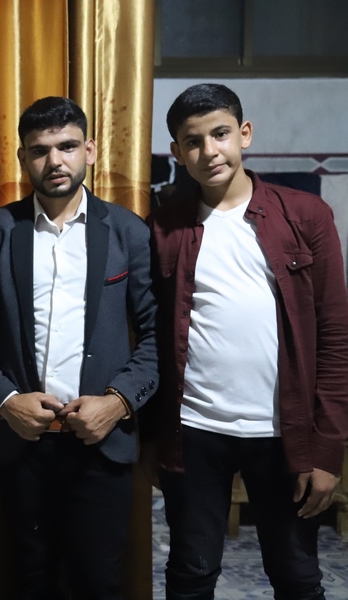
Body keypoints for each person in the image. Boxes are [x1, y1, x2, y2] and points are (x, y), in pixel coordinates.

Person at [0, 96, 158, 599]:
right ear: (23, 158)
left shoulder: (128, 231)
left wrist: (117, 403)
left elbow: (156, 336)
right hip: (23, 443)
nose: (55, 161)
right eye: (40, 150)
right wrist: (5, 401)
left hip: (102, 441)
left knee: (99, 584)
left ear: (90, 150)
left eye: (67, 147)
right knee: (29, 581)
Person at [147, 82, 348, 600]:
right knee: (190, 575)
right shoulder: (165, 225)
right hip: (195, 430)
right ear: (177, 153)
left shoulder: (305, 215)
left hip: (283, 432)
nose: (209, 151)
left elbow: (334, 336)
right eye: (193, 141)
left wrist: (328, 450)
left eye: (220, 134)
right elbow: (151, 335)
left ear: (245, 134)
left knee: (298, 577)